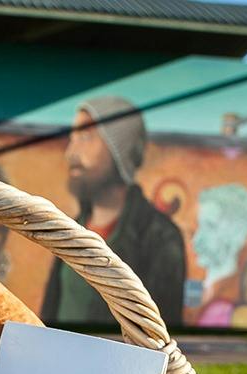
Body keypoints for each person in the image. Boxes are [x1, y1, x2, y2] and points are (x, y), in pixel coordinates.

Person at [41, 96, 185, 327]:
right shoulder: (70, 228)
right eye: (72, 138)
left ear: (120, 150)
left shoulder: (160, 238)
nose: (71, 153)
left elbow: (162, 335)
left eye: (86, 137)